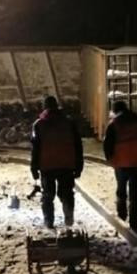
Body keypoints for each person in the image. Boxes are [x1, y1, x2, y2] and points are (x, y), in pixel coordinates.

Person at [30, 95, 83, 229]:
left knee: (47, 195)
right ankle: (69, 218)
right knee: (66, 193)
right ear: (57, 106)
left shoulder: (38, 124)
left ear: (44, 107)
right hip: (67, 164)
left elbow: (35, 149)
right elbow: (78, 145)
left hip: (47, 166)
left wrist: (34, 168)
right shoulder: (69, 123)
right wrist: (79, 165)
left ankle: (49, 222)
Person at [103, 100, 137, 233]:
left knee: (121, 191)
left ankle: (121, 218)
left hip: (121, 162)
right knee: (135, 193)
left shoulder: (114, 124)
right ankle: (134, 225)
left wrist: (110, 159)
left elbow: (107, 144)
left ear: (115, 111)